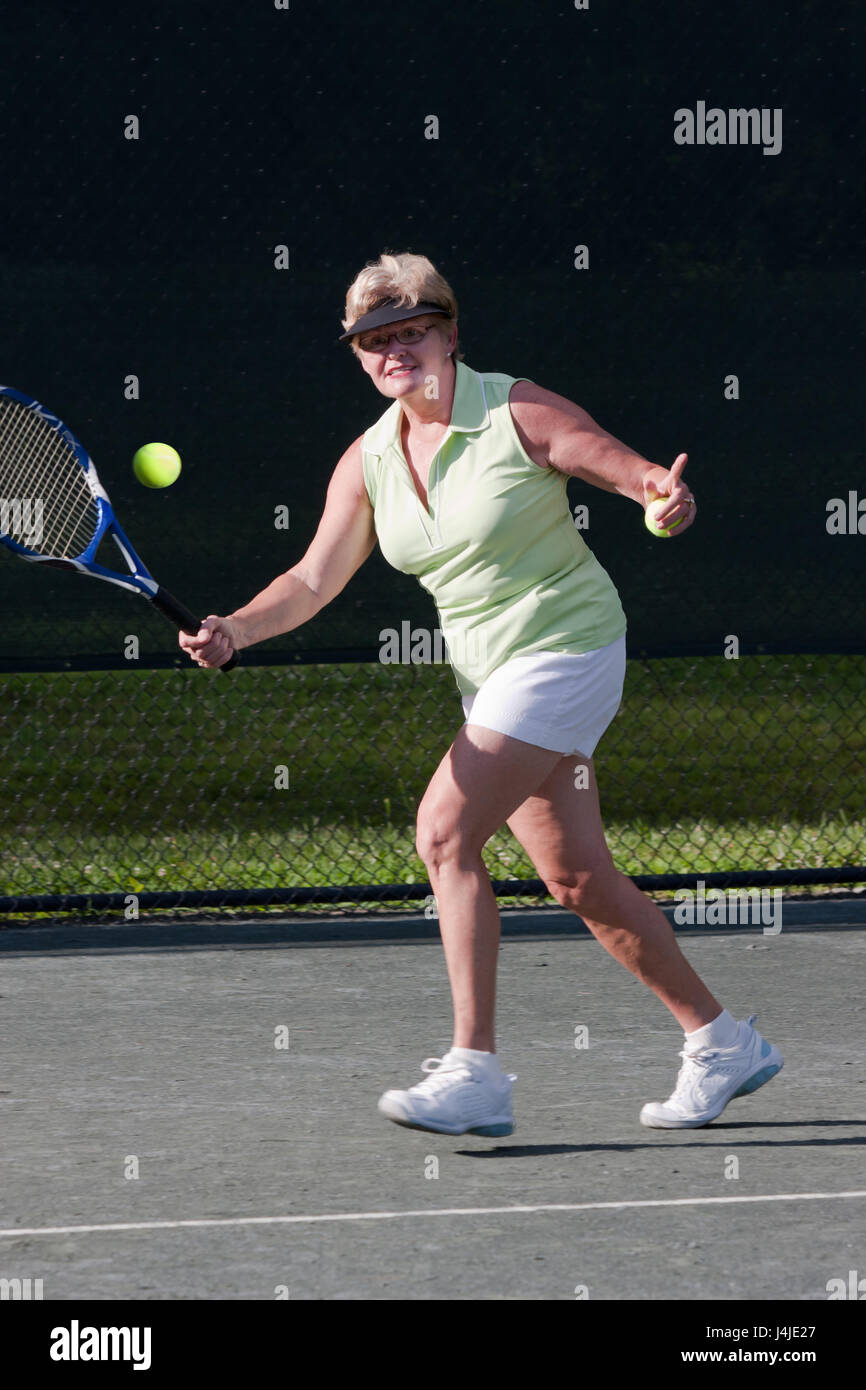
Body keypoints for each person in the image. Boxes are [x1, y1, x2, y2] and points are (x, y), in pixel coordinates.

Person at [180, 251, 783, 1137]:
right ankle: (723, 1041)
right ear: (359, 357)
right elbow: (311, 580)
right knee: (576, 878)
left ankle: (476, 1071)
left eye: (411, 333)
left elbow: (627, 471)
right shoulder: (371, 459)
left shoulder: (515, 409)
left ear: (450, 334)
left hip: (568, 646)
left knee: (443, 829)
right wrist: (236, 626)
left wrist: (661, 498)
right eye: (375, 342)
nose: (395, 353)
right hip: (490, 676)